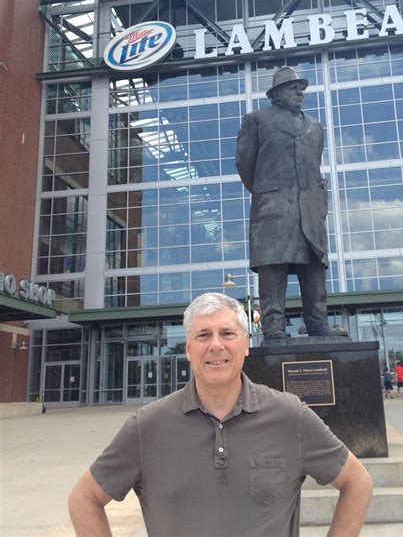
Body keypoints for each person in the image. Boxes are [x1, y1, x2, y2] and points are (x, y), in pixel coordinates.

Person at [68, 293, 372, 537]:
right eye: (203, 335)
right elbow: (84, 498)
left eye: (227, 333)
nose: (216, 345)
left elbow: (357, 481)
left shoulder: (290, 416)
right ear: (188, 349)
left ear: (245, 345)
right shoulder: (146, 426)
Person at [236, 66, 342, 341]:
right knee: (273, 269)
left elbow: (314, 165)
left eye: (301, 88)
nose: (299, 92)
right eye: (294, 88)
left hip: (309, 208)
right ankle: (274, 328)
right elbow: (245, 165)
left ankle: (318, 324)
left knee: (314, 267)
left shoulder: (315, 126)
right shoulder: (256, 120)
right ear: (277, 94)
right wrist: (267, 191)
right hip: (272, 207)